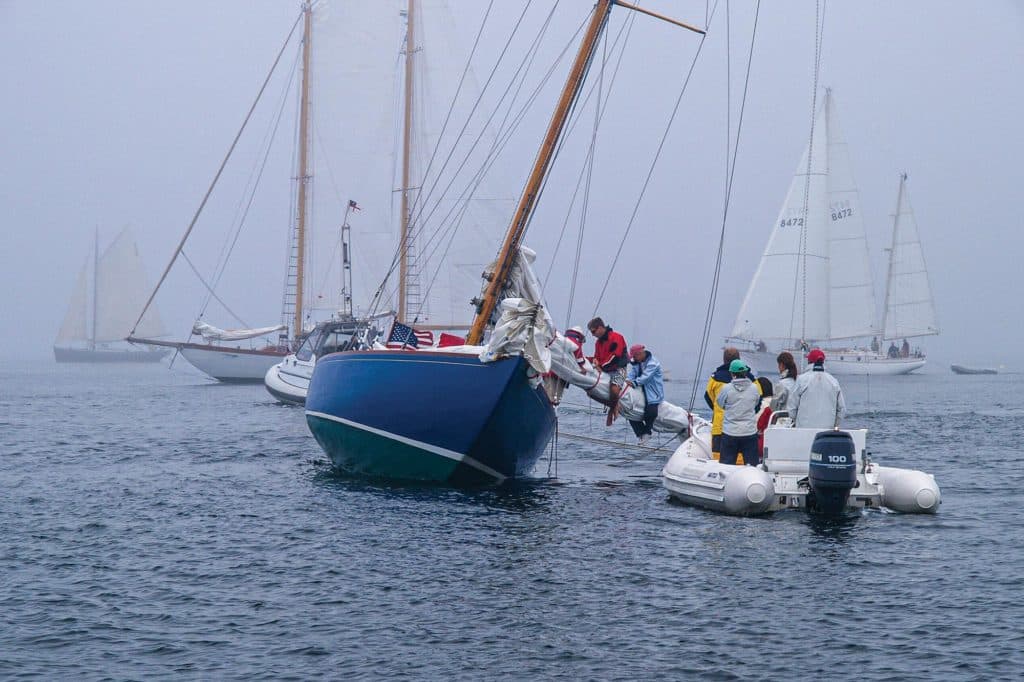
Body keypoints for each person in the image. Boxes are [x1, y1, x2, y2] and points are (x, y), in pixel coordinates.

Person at [705, 347, 759, 459]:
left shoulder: (715, 379)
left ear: (724, 360)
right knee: (745, 461)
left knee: (720, 460)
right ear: (739, 359)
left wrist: (719, 410)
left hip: (721, 428)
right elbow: (758, 402)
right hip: (748, 429)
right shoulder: (753, 381)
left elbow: (709, 398)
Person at [715, 359, 763, 466]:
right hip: (749, 432)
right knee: (752, 467)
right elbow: (756, 404)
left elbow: (720, 403)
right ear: (745, 373)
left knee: (726, 466)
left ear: (732, 373)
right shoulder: (754, 388)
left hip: (730, 432)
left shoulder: (726, 389)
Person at [790, 348, 846, 429]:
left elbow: (792, 408)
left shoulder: (801, 380)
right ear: (823, 362)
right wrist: (834, 425)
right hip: (826, 433)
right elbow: (842, 409)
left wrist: (796, 422)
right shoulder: (834, 381)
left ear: (809, 362)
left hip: (803, 430)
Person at [588, 317, 629, 424]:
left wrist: (600, 365)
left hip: (618, 368)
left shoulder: (617, 337)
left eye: (593, 331)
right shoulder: (598, 343)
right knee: (590, 392)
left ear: (600, 327)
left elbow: (615, 357)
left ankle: (612, 409)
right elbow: (596, 357)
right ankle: (615, 404)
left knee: (614, 389)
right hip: (604, 369)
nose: (592, 334)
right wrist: (595, 363)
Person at [626, 344, 663, 445]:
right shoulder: (637, 363)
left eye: (634, 356)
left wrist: (633, 383)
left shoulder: (653, 363)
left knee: (651, 412)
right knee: (629, 411)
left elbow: (646, 377)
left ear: (640, 353)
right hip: (639, 390)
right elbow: (631, 374)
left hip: (653, 392)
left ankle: (647, 432)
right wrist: (628, 381)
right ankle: (640, 434)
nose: (633, 358)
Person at [771, 351, 799, 416]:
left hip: (783, 419)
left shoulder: (782, 384)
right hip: (796, 418)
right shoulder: (797, 381)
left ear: (781, 365)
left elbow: (774, 405)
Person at [755, 376, 774, 460]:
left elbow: (756, 425)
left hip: (760, 444)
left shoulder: (760, 405)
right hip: (774, 444)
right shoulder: (776, 403)